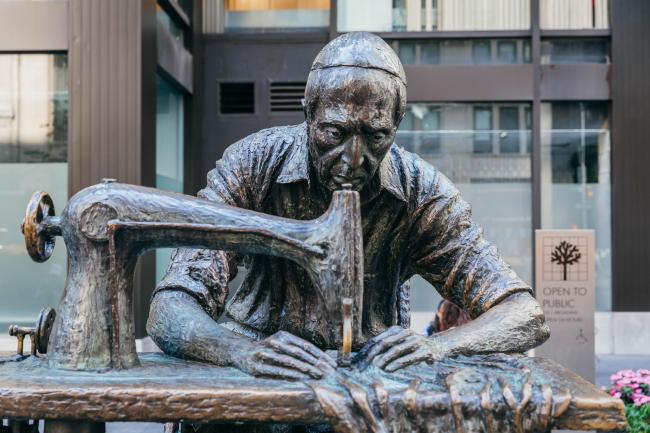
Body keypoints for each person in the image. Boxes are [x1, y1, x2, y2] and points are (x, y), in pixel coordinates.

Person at [147, 32, 549, 384]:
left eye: (375, 136)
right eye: (334, 133)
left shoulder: (421, 193)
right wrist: (240, 352)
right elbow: (170, 307)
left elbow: (525, 315)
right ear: (308, 113)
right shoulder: (253, 165)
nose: (354, 159)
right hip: (259, 373)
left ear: (397, 123)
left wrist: (438, 347)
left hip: (369, 374)